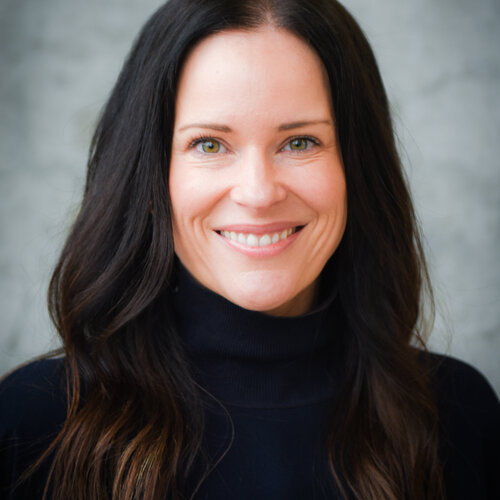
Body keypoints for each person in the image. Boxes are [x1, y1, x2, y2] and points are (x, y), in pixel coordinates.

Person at [1, 0, 499, 499]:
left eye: (300, 142)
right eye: (210, 145)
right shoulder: (32, 423)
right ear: (151, 174)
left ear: (356, 167)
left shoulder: (459, 414)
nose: (259, 193)